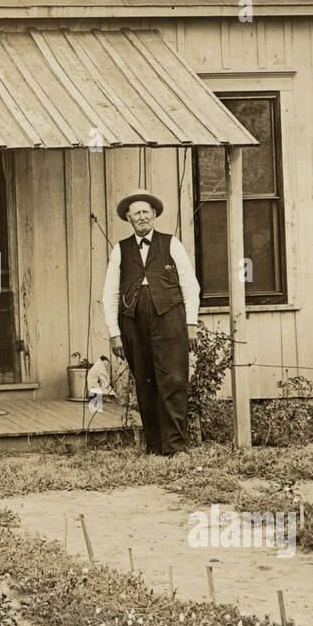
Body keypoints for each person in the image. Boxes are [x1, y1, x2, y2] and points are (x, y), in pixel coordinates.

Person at [101, 191, 201, 457]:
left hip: (169, 320)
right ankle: (154, 445)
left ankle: (176, 447)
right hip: (133, 323)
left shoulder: (172, 244)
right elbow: (110, 293)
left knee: (173, 380)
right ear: (128, 218)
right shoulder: (120, 250)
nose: (142, 217)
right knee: (145, 382)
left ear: (154, 215)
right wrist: (115, 333)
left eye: (146, 212)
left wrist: (191, 323)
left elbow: (190, 286)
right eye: (136, 213)